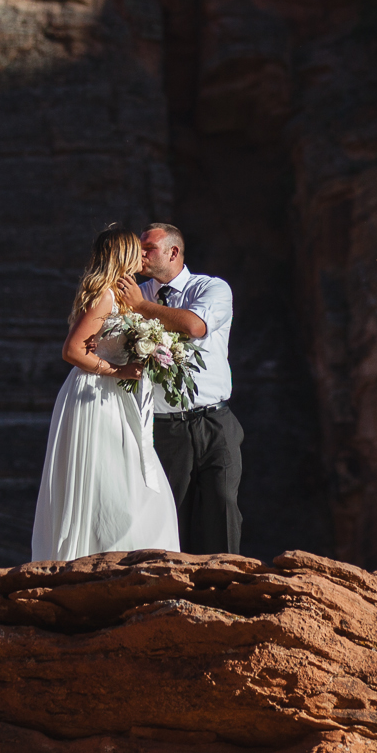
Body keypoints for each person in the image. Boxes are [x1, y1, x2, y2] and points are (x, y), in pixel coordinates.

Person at [28, 229, 182, 561]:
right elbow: (72, 350)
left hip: (115, 394)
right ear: (123, 255)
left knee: (128, 475)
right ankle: (104, 556)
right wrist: (119, 371)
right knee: (111, 475)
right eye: (136, 252)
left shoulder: (125, 296)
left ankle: (125, 554)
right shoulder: (106, 296)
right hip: (96, 395)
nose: (143, 257)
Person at [112, 223, 240, 555]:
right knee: (170, 514)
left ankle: (226, 587)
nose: (140, 254)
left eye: (148, 248)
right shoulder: (136, 293)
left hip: (215, 422)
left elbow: (195, 326)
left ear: (173, 252)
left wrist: (141, 307)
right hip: (164, 426)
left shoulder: (210, 288)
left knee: (222, 506)